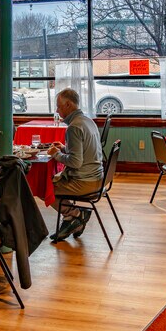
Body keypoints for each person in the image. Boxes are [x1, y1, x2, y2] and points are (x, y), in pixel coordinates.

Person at [47, 88, 104, 242]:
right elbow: (84, 151)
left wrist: (55, 154)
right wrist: (64, 148)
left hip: (85, 182)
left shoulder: (73, 127)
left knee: (43, 188)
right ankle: (70, 221)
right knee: (50, 184)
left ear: (68, 105)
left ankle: (76, 215)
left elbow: (75, 162)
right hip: (98, 178)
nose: (57, 110)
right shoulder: (87, 121)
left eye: (59, 106)